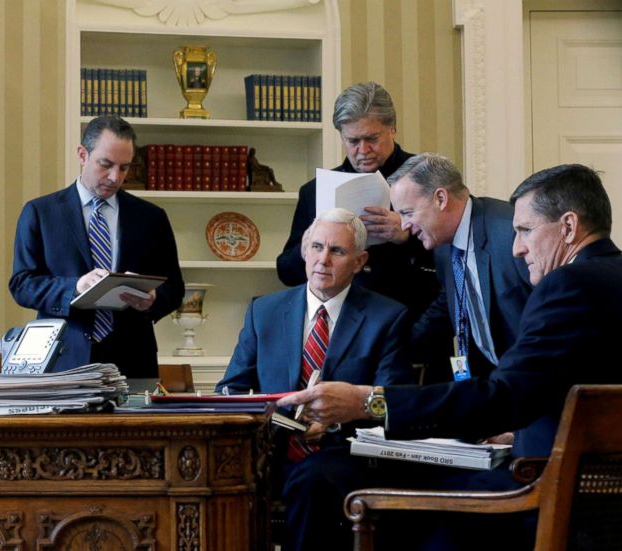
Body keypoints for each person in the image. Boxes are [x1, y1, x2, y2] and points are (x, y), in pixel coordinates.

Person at [281, 163, 621, 550]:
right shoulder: (608, 276)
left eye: (525, 230)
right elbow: (548, 386)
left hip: (548, 490)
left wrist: (368, 401)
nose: (517, 247)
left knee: (400, 518)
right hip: (587, 485)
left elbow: (503, 395)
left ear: (569, 227)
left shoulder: (567, 284)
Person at [215, 208, 416, 550]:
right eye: (317, 247)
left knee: (311, 478)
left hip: (346, 453)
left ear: (359, 261)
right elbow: (231, 388)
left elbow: (391, 403)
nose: (323, 259)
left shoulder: (388, 317)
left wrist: (337, 418)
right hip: (271, 449)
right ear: (304, 251)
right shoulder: (263, 311)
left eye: (337, 251)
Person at [9, 115, 184, 377]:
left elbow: (175, 287)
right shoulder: (41, 212)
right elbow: (22, 285)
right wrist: (75, 287)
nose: (115, 177)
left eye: (124, 168)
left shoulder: (151, 217)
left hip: (133, 362)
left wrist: (153, 299)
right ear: (82, 155)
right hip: (62, 361)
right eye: (106, 164)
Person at [276, 82, 438, 322]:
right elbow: (286, 273)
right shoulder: (314, 191)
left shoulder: (430, 177)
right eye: (352, 141)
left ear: (392, 129)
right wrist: (307, 249)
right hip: (338, 330)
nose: (363, 150)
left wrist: (407, 237)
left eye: (372, 138)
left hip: (413, 324)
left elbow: (459, 258)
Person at [390, 153, 532, 378]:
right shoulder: (443, 244)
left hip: (537, 381)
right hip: (492, 380)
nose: (404, 225)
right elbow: (449, 302)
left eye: (407, 213)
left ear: (440, 199)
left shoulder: (510, 233)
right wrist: (393, 347)